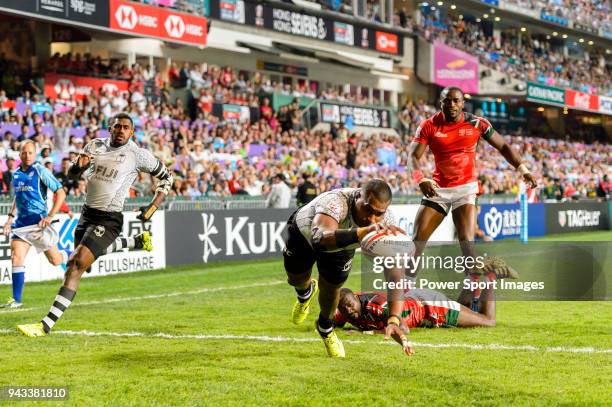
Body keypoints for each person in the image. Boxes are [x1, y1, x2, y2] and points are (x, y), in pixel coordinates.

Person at [17, 113, 174, 337]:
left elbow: (167, 177)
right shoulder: (95, 146)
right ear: (109, 129)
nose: (121, 130)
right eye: (117, 126)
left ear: (132, 132)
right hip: (86, 215)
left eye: (125, 128)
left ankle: (45, 326)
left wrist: (154, 204)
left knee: (75, 264)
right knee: (85, 265)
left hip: (109, 219)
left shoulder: (137, 155)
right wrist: (77, 168)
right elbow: (71, 175)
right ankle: (135, 242)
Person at [408, 87, 537, 307]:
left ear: (462, 103)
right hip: (437, 188)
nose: (451, 105)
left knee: (466, 241)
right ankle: (405, 289)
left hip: (465, 188)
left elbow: (504, 146)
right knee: (417, 240)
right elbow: (413, 157)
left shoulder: (477, 123)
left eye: (455, 101)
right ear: (440, 103)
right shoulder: (428, 125)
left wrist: (523, 169)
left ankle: (473, 291)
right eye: (446, 101)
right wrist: (421, 179)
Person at [284, 179, 410, 358]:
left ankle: (325, 327)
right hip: (303, 236)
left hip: (343, 247)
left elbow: (395, 275)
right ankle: (305, 293)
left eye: (378, 214)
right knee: (296, 279)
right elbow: (319, 239)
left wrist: (394, 319)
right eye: (367, 209)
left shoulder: (388, 220)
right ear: (358, 195)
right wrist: (362, 232)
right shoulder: (337, 202)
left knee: (331, 288)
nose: (371, 218)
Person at [0, 141, 67, 308]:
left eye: (30, 153)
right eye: (24, 153)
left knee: (56, 260)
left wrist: (51, 216)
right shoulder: (16, 174)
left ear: (35, 154)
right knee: (16, 257)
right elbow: (18, 197)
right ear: (19, 154)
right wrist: (10, 217)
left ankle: (71, 255)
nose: (27, 156)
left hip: (39, 224)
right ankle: (16, 300)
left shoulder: (40, 171)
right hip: (21, 224)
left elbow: (61, 192)